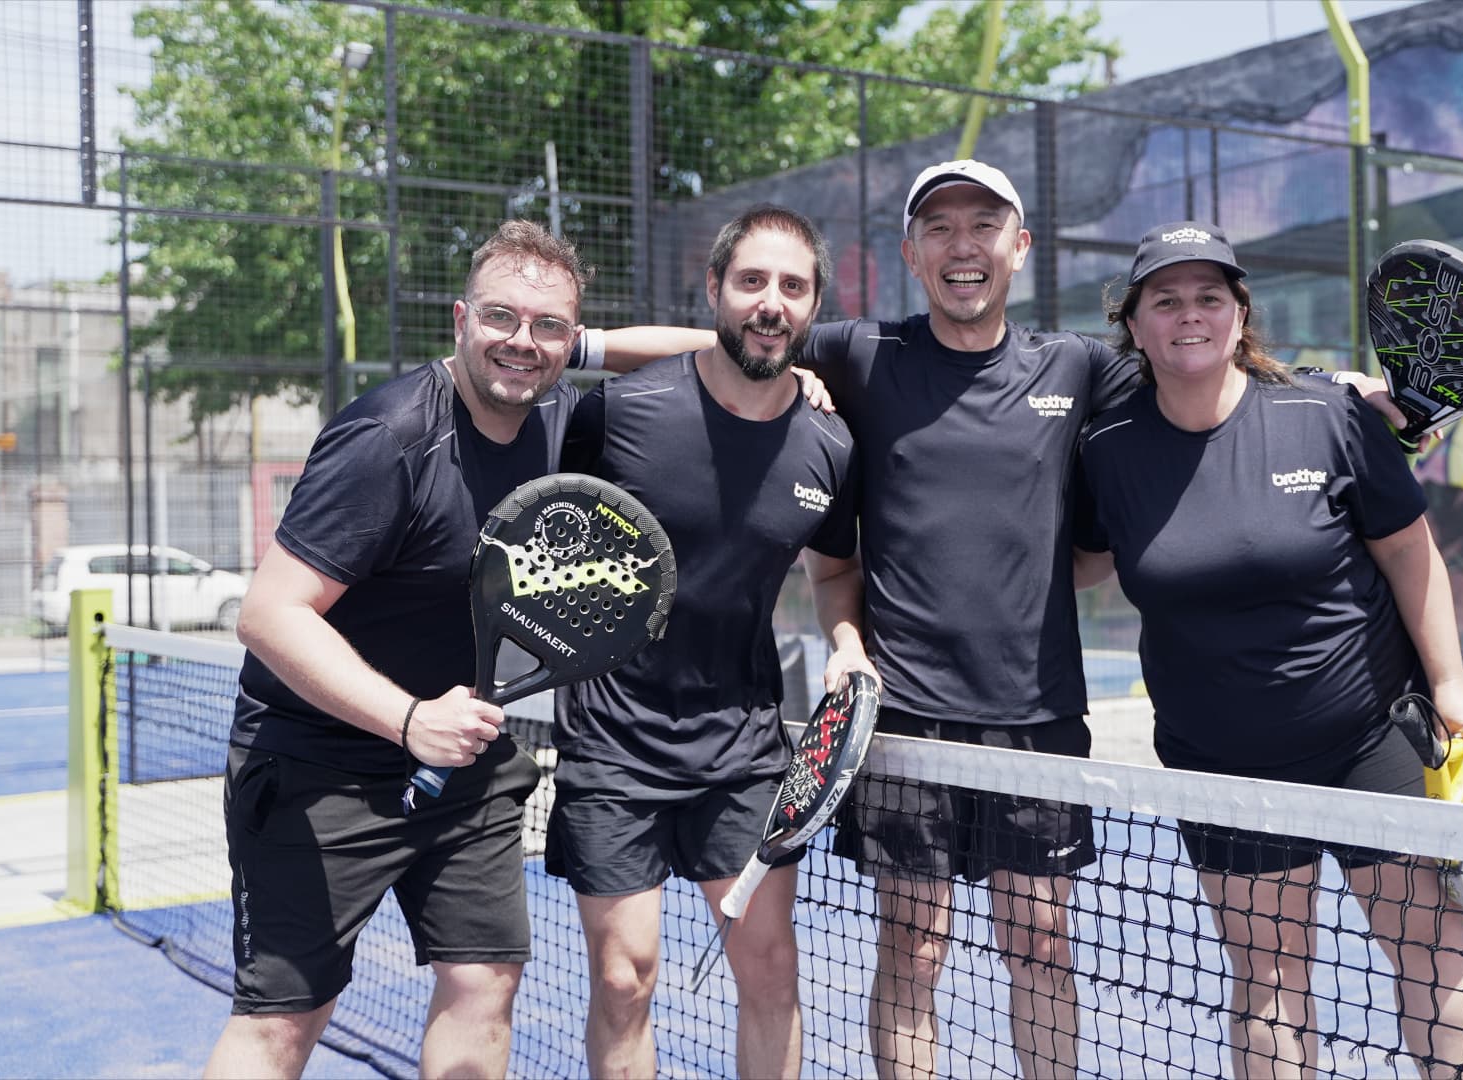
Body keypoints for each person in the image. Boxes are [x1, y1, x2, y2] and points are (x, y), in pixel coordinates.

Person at [582, 159, 1416, 1080]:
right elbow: (720, 341)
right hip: (900, 724)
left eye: (985, 225)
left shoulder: (1081, 367)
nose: (962, 244)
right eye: (940, 228)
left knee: (1041, 948)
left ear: (1019, 246)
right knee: (916, 951)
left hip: (1038, 718)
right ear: (912, 253)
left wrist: (1337, 385)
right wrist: (574, 346)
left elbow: (1207, 361)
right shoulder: (864, 356)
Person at [1072, 221, 1463, 1079]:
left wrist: (1453, 685)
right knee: (1267, 977)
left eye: (1209, 296)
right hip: (1220, 762)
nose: (1189, 315)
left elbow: (1412, 550)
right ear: (1135, 323)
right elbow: (1083, 560)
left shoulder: (1328, 413)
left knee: (1433, 954)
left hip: (1373, 741)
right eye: (1166, 300)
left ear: (1239, 313)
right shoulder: (1107, 448)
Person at [208, 220, 598, 1078]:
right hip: (317, 766)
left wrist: (796, 367)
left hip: (466, 765)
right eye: (501, 317)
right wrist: (408, 718)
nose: (521, 342)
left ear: (575, 340)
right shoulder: (388, 437)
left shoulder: (564, 415)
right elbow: (268, 615)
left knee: (485, 981)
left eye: (549, 327)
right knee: (285, 1019)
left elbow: (699, 358)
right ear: (460, 318)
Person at [545, 204, 874, 1079]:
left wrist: (845, 640)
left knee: (769, 971)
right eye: (752, 281)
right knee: (625, 979)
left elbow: (835, 572)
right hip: (611, 745)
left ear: (813, 308)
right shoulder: (615, 415)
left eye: (793, 287)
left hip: (744, 750)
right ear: (715, 291)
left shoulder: (829, 445)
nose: (772, 303)